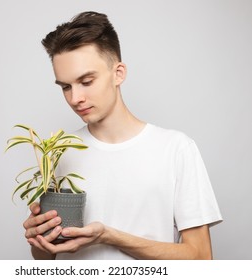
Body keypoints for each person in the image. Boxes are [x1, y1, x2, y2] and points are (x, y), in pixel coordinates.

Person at [23, 11, 222, 260]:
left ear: (118, 73)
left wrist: (110, 236)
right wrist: (40, 240)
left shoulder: (176, 149)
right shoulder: (59, 152)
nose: (75, 99)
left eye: (86, 81)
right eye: (65, 86)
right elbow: (46, 259)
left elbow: (201, 257)